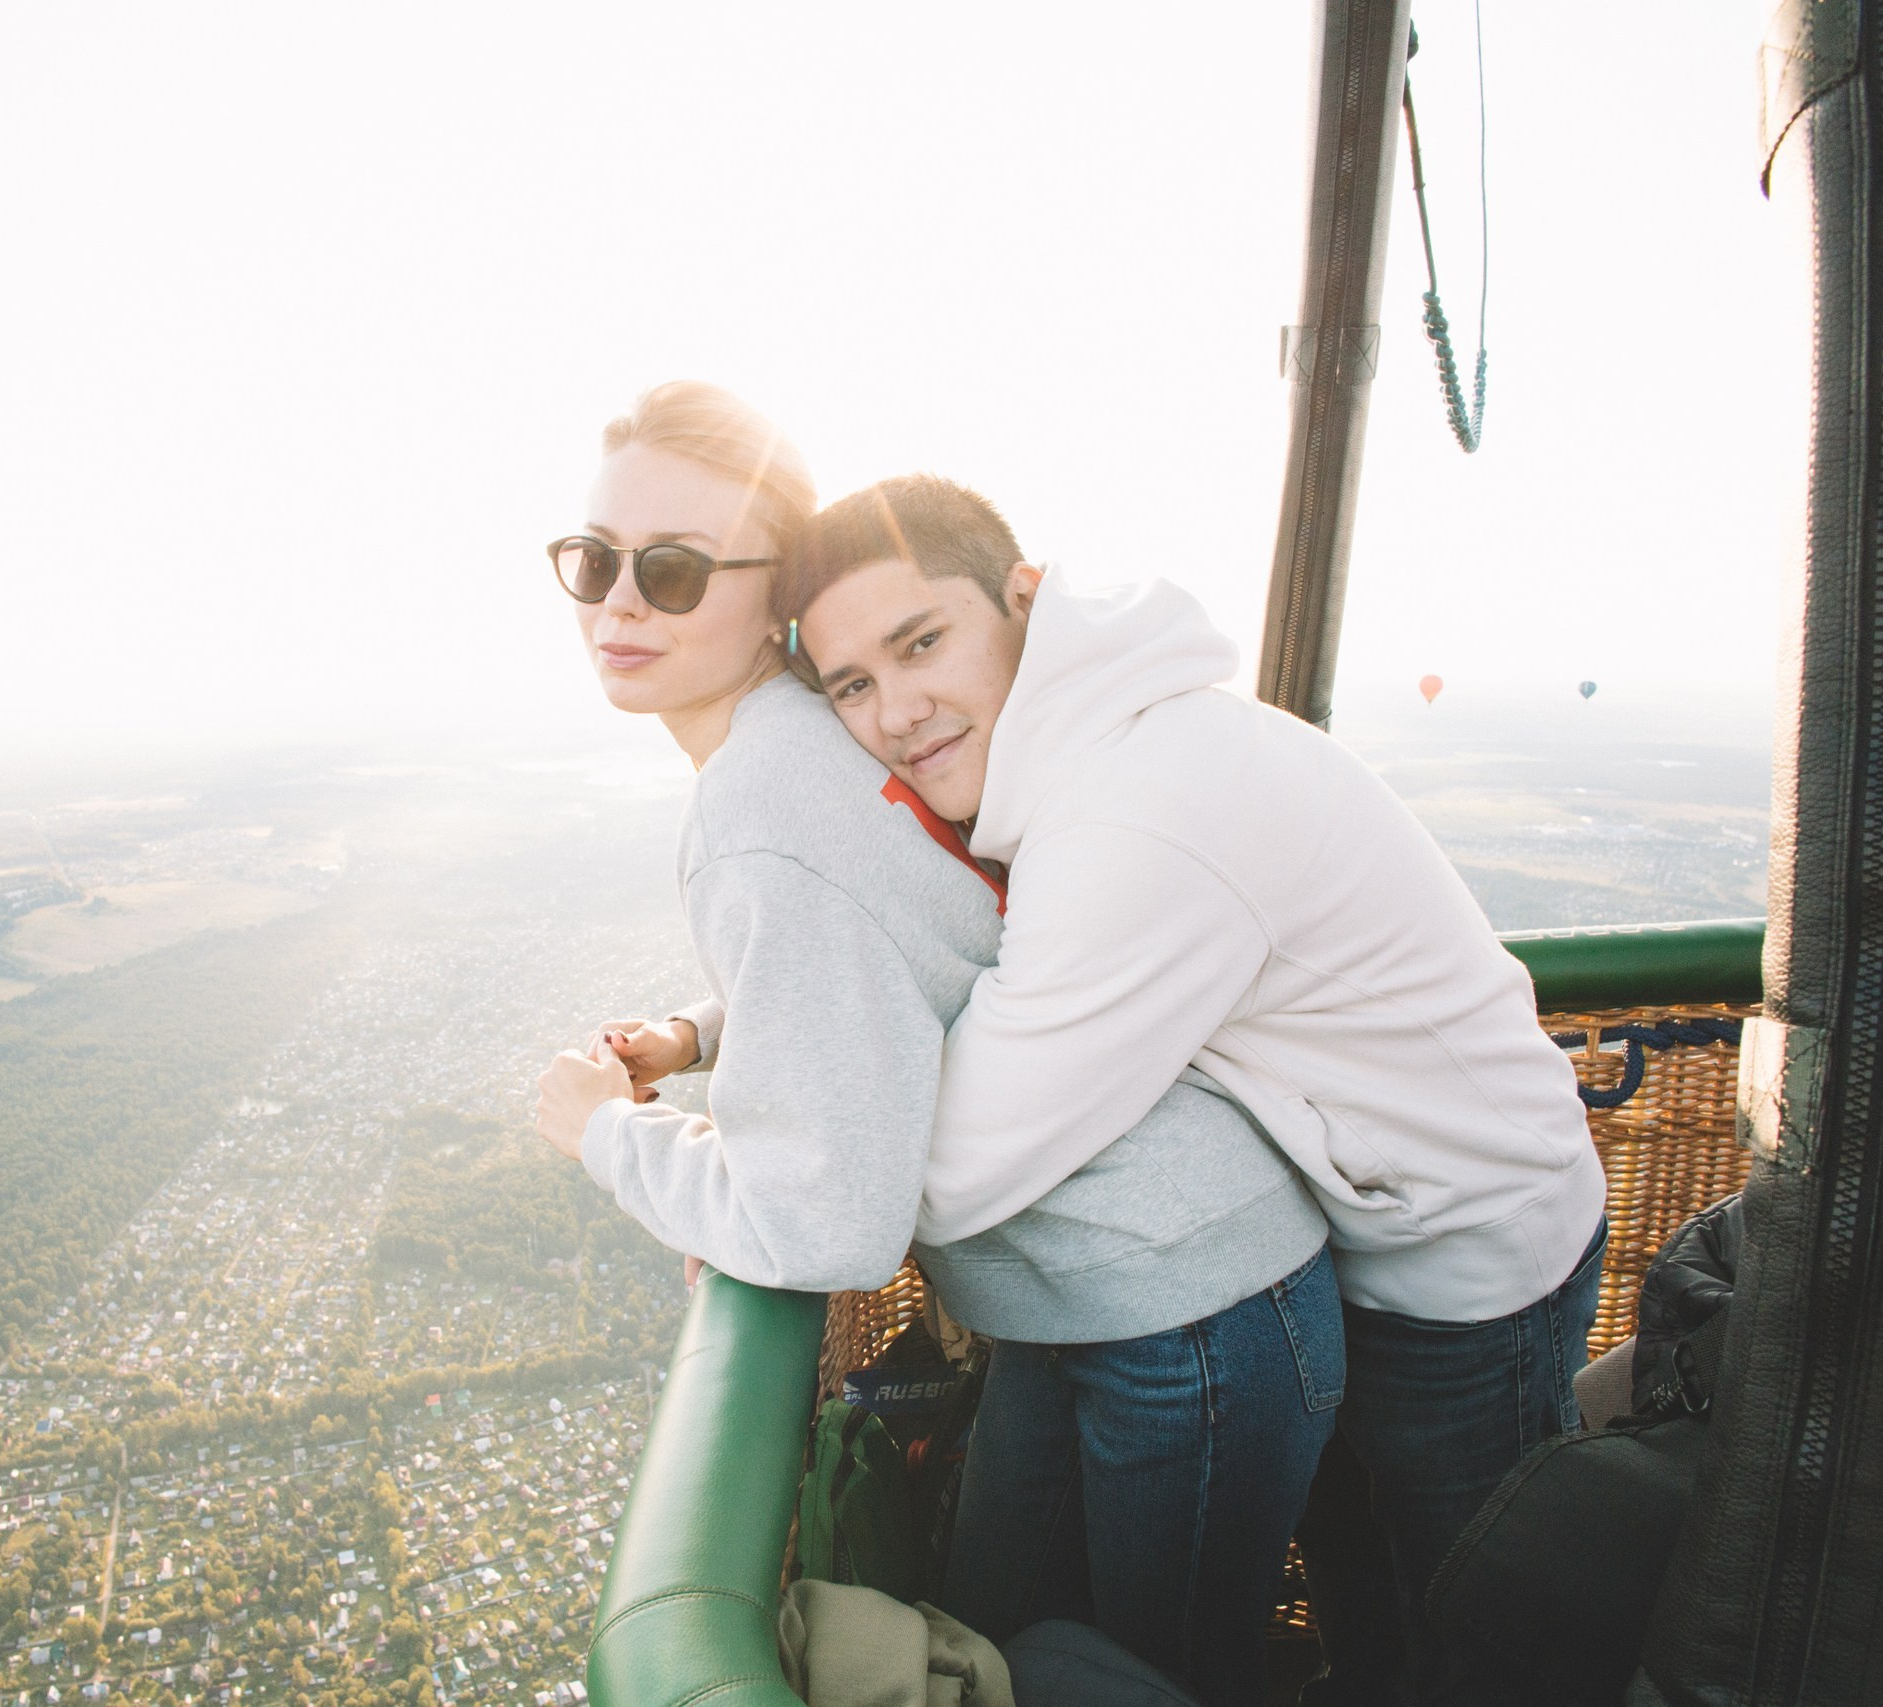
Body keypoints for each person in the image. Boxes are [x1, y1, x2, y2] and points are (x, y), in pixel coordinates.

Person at [532, 382, 1342, 1707]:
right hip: (1105, 1292)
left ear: (774, 595)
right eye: (594, 558)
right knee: (993, 1634)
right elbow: (899, 952)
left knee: (1152, 1678)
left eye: (673, 569)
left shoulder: (760, 801)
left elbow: (823, 1224)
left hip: (1190, 1309)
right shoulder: (809, 743)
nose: (621, 601)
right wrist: (698, 1030)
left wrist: (605, 1131)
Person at [783, 473, 1608, 1707]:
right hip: (1336, 1233)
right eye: (851, 684)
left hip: (1465, 1257)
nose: (898, 709)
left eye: (921, 642)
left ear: (1023, 599)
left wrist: (755, 1186)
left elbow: (949, 1172)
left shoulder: (1135, 809)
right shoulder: (1081, 750)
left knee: (1466, 1628)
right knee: (1365, 1607)